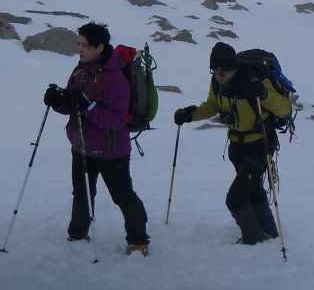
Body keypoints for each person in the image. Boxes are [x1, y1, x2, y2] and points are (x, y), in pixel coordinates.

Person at [43, 22, 150, 255]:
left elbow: (117, 119)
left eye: (85, 45)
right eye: (79, 44)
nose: (80, 49)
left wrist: (88, 106)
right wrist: (58, 101)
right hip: (81, 146)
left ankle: (138, 239)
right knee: (81, 194)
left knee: (122, 195)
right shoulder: (80, 70)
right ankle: (78, 235)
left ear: (100, 47)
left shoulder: (115, 77)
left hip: (112, 150)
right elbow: (74, 106)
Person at [173, 42, 291, 245]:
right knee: (252, 190)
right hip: (237, 145)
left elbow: (284, 109)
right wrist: (190, 115)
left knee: (235, 198)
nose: (219, 76)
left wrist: (263, 94)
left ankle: (253, 238)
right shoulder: (217, 83)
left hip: (260, 145)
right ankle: (269, 231)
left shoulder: (255, 81)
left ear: (234, 67)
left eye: (223, 72)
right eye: (215, 72)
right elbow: (212, 105)